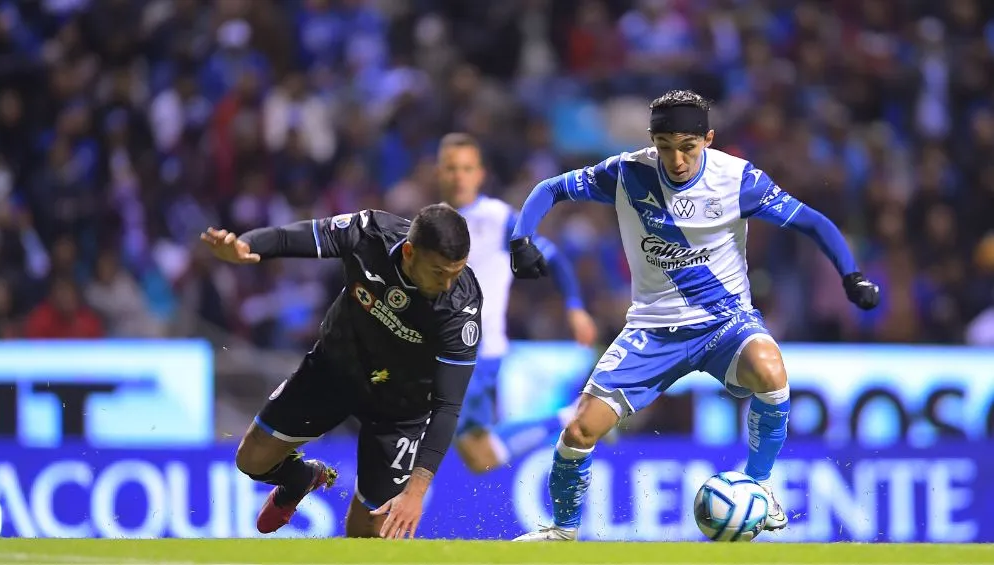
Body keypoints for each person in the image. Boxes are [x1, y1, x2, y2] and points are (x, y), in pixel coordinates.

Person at [507, 90, 881, 541]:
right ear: (652, 141)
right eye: (665, 146)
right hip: (652, 330)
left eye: (687, 146)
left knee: (771, 370)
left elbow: (813, 222)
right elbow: (551, 188)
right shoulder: (628, 173)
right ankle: (562, 533)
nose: (677, 159)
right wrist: (522, 239)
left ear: (708, 138)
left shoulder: (739, 180)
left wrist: (851, 275)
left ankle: (759, 486)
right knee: (580, 430)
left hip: (725, 323)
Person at [201, 204, 483, 539]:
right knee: (251, 460)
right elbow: (293, 237)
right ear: (409, 252)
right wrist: (247, 245)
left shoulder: (460, 309)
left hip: (401, 408)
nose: (449, 284)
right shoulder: (369, 233)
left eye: (456, 272)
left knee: (370, 530)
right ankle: (300, 479)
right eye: (439, 272)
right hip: (334, 370)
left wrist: (415, 494)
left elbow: (448, 406)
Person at [435, 132, 600, 474]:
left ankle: (388, 510)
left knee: (422, 424)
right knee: (481, 457)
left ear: (480, 174)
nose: (459, 176)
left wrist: (574, 307)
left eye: (467, 168)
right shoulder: (428, 223)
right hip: (440, 350)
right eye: (451, 168)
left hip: (476, 350)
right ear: (439, 172)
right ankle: (569, 417)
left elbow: (554, 259)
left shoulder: (498, 218)